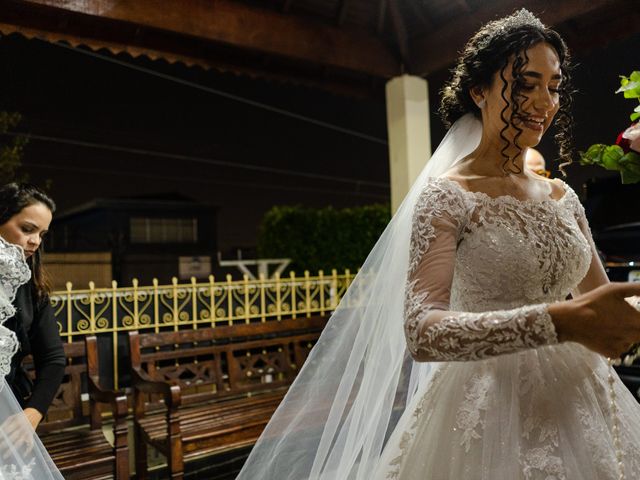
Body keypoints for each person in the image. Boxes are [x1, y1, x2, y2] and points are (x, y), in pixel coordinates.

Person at [237, 9, 640, 480]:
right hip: (487, 405)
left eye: (553, 86)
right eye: (526, 83)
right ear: (479, 90)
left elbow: (605, 300)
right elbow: (422, 331)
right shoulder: (448, 196)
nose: (543, 101)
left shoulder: (563, 196)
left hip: (583, 397)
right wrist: (556, 322)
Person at [0, 183, 64, 479]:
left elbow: (53, 360)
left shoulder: (33, 289)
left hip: (7, 422)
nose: (36, 241)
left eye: (42, 234)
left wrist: (32, 414)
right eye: (27, 229)